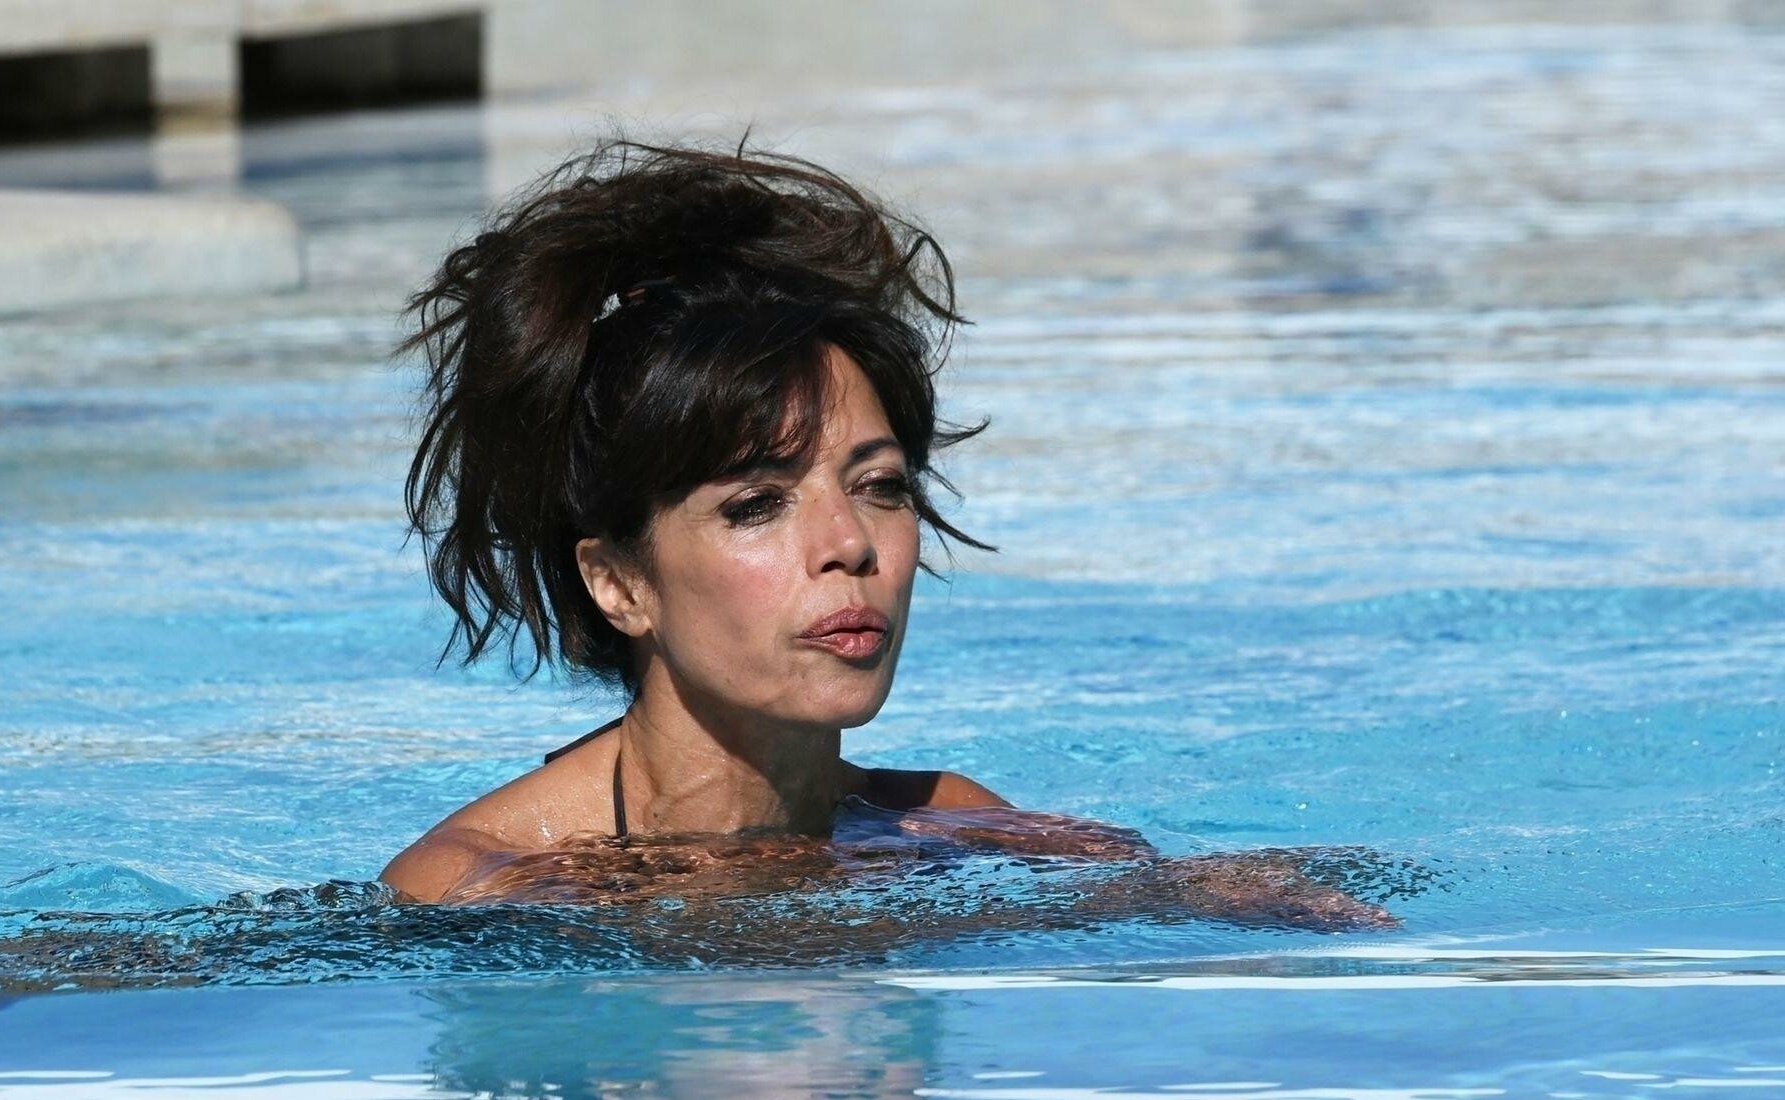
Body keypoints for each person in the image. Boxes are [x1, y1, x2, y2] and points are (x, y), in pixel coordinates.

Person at [377, 132, 1400, 932]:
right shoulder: (473, 888)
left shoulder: (958, 830)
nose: (849, 543)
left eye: (880, 486)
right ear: (619, 583)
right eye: (756, 503)